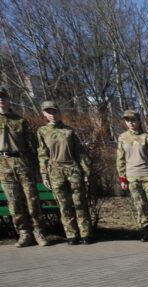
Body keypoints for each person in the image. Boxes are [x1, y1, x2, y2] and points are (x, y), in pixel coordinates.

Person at [37, 100, 93, 245]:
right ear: (44, 114)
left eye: (54, 111)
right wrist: (44, 174)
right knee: (63, 204)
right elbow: (42, 154)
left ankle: (85, 233)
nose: (52, 115)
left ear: (59, 112)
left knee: (79, 202)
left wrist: (86, 171)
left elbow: (80, 152)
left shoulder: (69, 131)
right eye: (48, 112)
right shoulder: (42, 131)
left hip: (72, 169)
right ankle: (71, 234)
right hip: (55, 170)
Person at [0, 87, 47, 247]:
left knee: (32, 199)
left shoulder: (20, 121)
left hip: (22, 162)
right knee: (14, 201)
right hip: (3, 165)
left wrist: (37, 166)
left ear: (8, 99)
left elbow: (33, 146)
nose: (1, 100)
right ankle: (24, 233)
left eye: (3, 97)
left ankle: (38, 231)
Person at [116, 109, 148, 242]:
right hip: (132, 177)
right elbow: (120, 159)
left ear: (138, 121)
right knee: (140, 205)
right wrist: (122, 178)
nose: (130, 123)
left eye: (133, 120)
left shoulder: (146, 137)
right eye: (127, 120)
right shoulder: (122, 138)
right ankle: (145, 231)